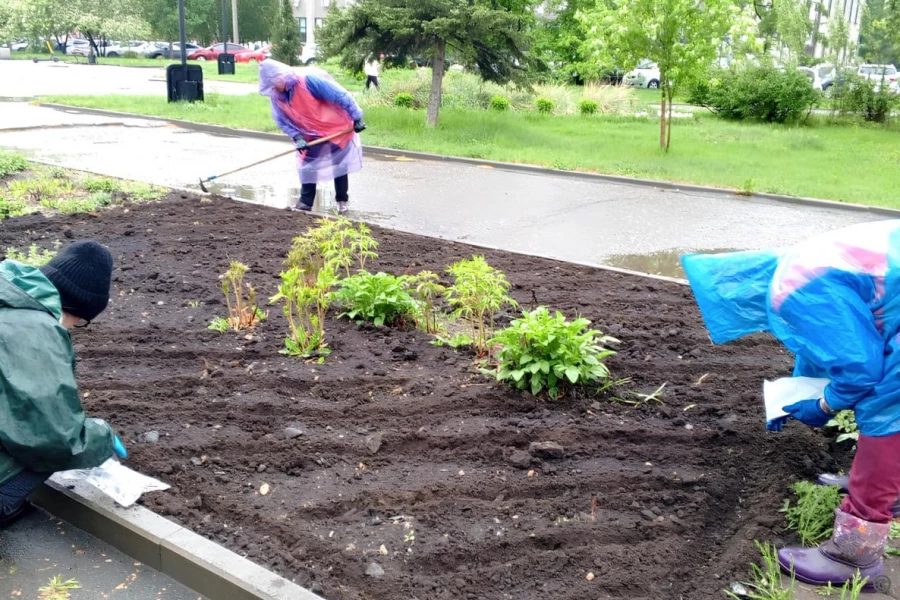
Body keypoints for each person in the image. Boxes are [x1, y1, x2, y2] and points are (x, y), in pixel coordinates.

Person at [681, 219, 900, 590]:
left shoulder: (792, 292)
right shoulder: (796, 267)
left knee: (886, 410)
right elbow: (830, 339)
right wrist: (800, 389)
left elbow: (860, 369)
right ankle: (882, 487)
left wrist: (825, 406)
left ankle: (854, 553)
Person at [0, 240, 127, 527]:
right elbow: (53, 439)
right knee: (41, 452)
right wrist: (102, 438)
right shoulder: (34, 330)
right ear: (77, 310)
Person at [259, 60, 367, 215]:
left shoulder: (308, 82)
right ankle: (305, 203)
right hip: (311, 134)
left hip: (335, 127)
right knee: (307, 165)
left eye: (275, 83)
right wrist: (297, 137)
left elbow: (339, 95)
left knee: (339, 164)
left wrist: (356, 117)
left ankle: (342, 202)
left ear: (280, 77)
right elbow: (281, 120)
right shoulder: (277, 97)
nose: (274, 88)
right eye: (270, 85)